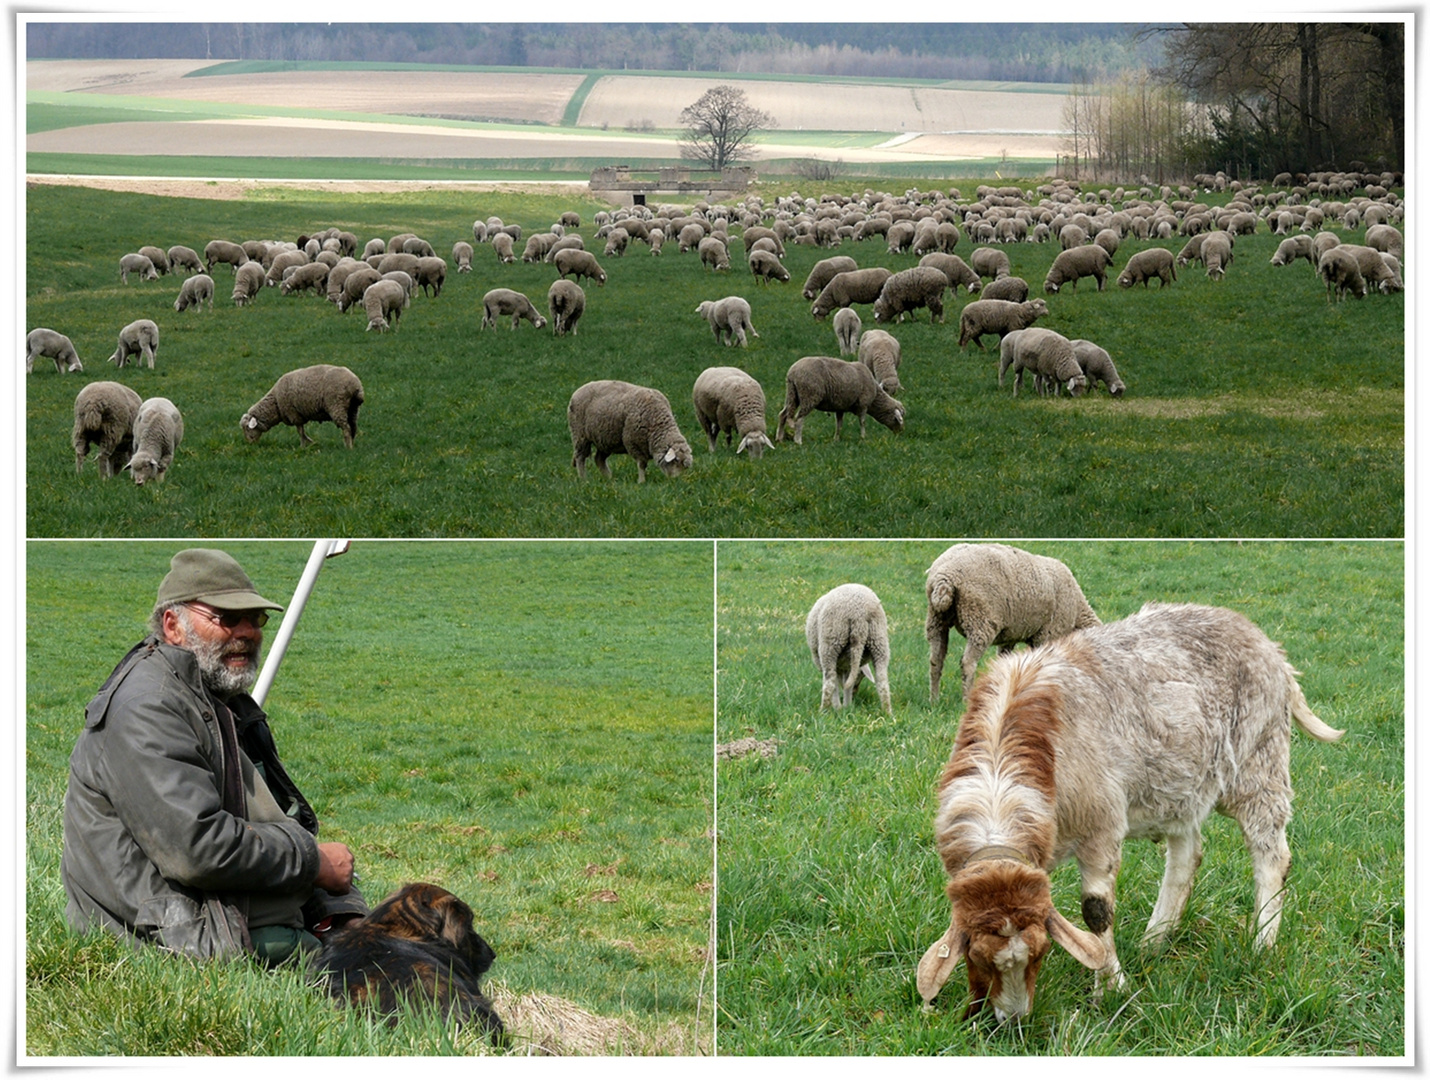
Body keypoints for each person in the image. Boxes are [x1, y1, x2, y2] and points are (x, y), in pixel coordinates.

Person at [61, 548, 367, 965]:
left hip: (228, 913)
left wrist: (341, 913)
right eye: (226, 618)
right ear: (173, 626)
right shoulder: (149, 707)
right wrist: (313, 863)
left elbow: (277, 821)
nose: (247, 632)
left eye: (255, 619)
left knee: (388, 952)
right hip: (174, 939)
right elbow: (197, 847)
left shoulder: (218, 697)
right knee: (384, 990)